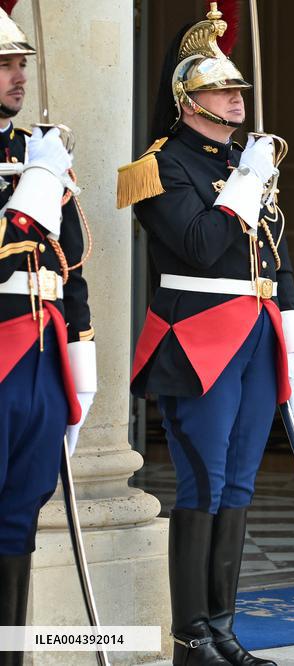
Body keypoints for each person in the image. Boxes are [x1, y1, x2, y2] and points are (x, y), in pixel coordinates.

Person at [116, 6, 294, 665]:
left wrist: (291, 319)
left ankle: (223, 627)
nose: (237, 99)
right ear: (189, 101)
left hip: (255, 332)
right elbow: (198, 245)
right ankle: (190, 637)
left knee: (241, 484)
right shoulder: (159, 166)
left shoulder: (238, 161)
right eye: (225, 90)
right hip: (197, 335)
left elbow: (271, 249)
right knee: (204, 480)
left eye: (238, 91)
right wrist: (249, 179)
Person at [0, 9, 95, 664]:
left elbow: (74, 262)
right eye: (5, 64)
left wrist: (80, 351)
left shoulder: (33, 149)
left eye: (21, 64)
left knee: (21, 514)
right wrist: (31, 187)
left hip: (41, 350)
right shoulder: (29, 164)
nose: (18, 76)